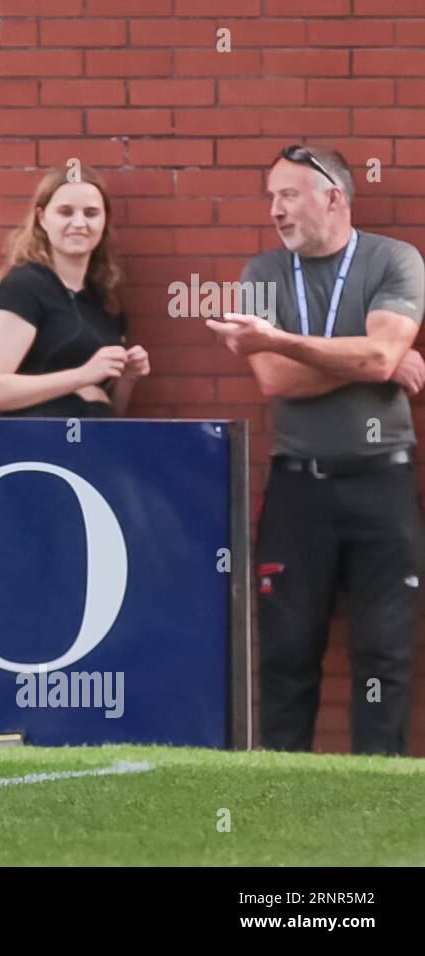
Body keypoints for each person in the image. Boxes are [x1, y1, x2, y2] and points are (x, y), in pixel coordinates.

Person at [206, 144, 425, 755]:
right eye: (271, 196)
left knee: (384, 653)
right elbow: (276, 380)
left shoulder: (394, 260)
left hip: (383, 483)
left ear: (334, 196)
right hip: (298, 488)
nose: (275, 209)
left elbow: (379, 354)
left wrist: (282, 339)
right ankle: (283, 795)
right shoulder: (263, 273)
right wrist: (372, 361)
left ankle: (377, 799)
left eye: (288, 195)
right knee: (286, 651)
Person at [0, 165, 150, 417]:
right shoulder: (24, 286)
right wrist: (83, 375)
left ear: (104, 221)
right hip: (37, 448)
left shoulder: (100, 297)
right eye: (65, 212)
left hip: (93, 445)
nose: (79, 223)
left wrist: (127, 378)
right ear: (43, 218)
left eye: (91, 213)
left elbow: (110, 412)